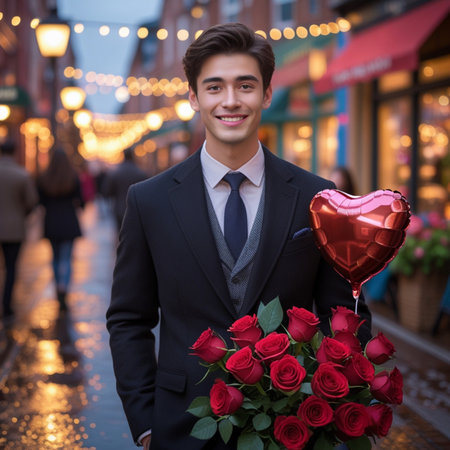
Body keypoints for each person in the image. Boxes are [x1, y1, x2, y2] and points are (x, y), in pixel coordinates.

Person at [106, 23, 372, 450]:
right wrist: (145, 422)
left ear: (267, 94)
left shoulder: (319, 197)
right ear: (194, 98)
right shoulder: (149, 201)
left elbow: (344, 312)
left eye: (245, 86)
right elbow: (128, 319)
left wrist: (336, 413)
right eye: (214, 87)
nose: (230, 101)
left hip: (295, 427)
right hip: (181, 425)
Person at [37, 148, 85, 312]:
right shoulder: (72, 176)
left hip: (51, 220)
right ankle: (64, 287)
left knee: (55, 257)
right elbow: (81, 199)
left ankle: (58, 286)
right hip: (69, 220)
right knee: (66, 257)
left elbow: (40, 201)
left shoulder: (44, 178)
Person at [0, 140, 38, 321]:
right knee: (11, 267)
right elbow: (32, 201)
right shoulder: (21, 175)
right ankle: (7, 306)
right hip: (14, 229)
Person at [102, 147, 148, 230]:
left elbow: (107, 192)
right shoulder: (140, 172)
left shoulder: (116, 173)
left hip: (120, 209)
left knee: (121, 233)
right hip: (138, 209)